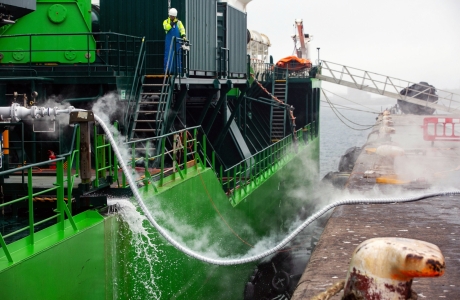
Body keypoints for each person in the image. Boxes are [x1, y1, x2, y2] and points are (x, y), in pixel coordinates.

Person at [163, 8, 186, 73]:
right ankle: (168, 70)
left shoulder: (179, 22)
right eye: (171, 16)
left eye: (173, 16)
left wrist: (183, 35)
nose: (172, 17)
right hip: (169, 41)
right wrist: (172, 24)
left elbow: (182, 29)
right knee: (168, 55)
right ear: (169, 15)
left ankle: (177, 70)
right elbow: (166, 28)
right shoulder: (166, 21)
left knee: (177, 54)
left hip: (177, 41)